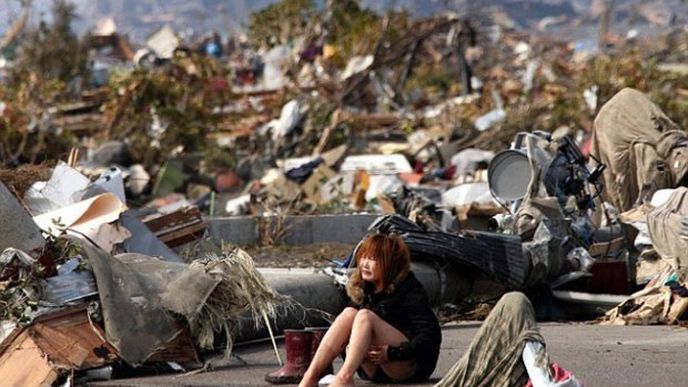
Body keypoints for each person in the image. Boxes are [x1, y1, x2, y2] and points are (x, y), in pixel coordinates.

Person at [298, 233, 441, 387]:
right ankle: (310, 376)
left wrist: (393, 353)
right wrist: (350, 350)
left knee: (364, 316)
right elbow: (347, 336)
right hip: (374, 370)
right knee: (349, 313)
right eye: (363, 257)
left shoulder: (409, 289)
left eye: (373, 259)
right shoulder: (363, 289)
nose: (364, 264)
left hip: (407, 367)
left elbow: (431, 335)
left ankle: (344, 377)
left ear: (390, 263)